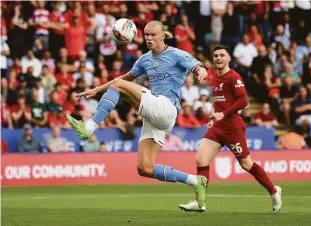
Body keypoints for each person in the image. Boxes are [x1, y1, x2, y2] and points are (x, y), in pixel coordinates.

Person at [66, 20, 208, 208]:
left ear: (162, 35)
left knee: (119, 87)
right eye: (146, 34)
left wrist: (201, 71)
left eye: (153, 34)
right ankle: (195, 182)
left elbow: (197, 65)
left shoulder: (176, 54)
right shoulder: (144, 59)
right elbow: (123, 79)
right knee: (144, 168)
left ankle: (89, 127)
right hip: (155, 115)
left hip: (166, 107)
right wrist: (97, 89)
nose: (149, 38)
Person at [178, 45, 282, 213]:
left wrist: (223, 114)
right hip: (218, 127)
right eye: (216, 55)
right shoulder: (216, 79)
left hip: (233, 128)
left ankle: (274, 190)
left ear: (228, 59)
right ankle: (200, 201)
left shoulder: (233, 77)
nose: (218, 58)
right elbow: (221, 101)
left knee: (246, 164)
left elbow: (243, 101)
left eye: (221, 55)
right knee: (201, 160)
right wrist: (214, 117)